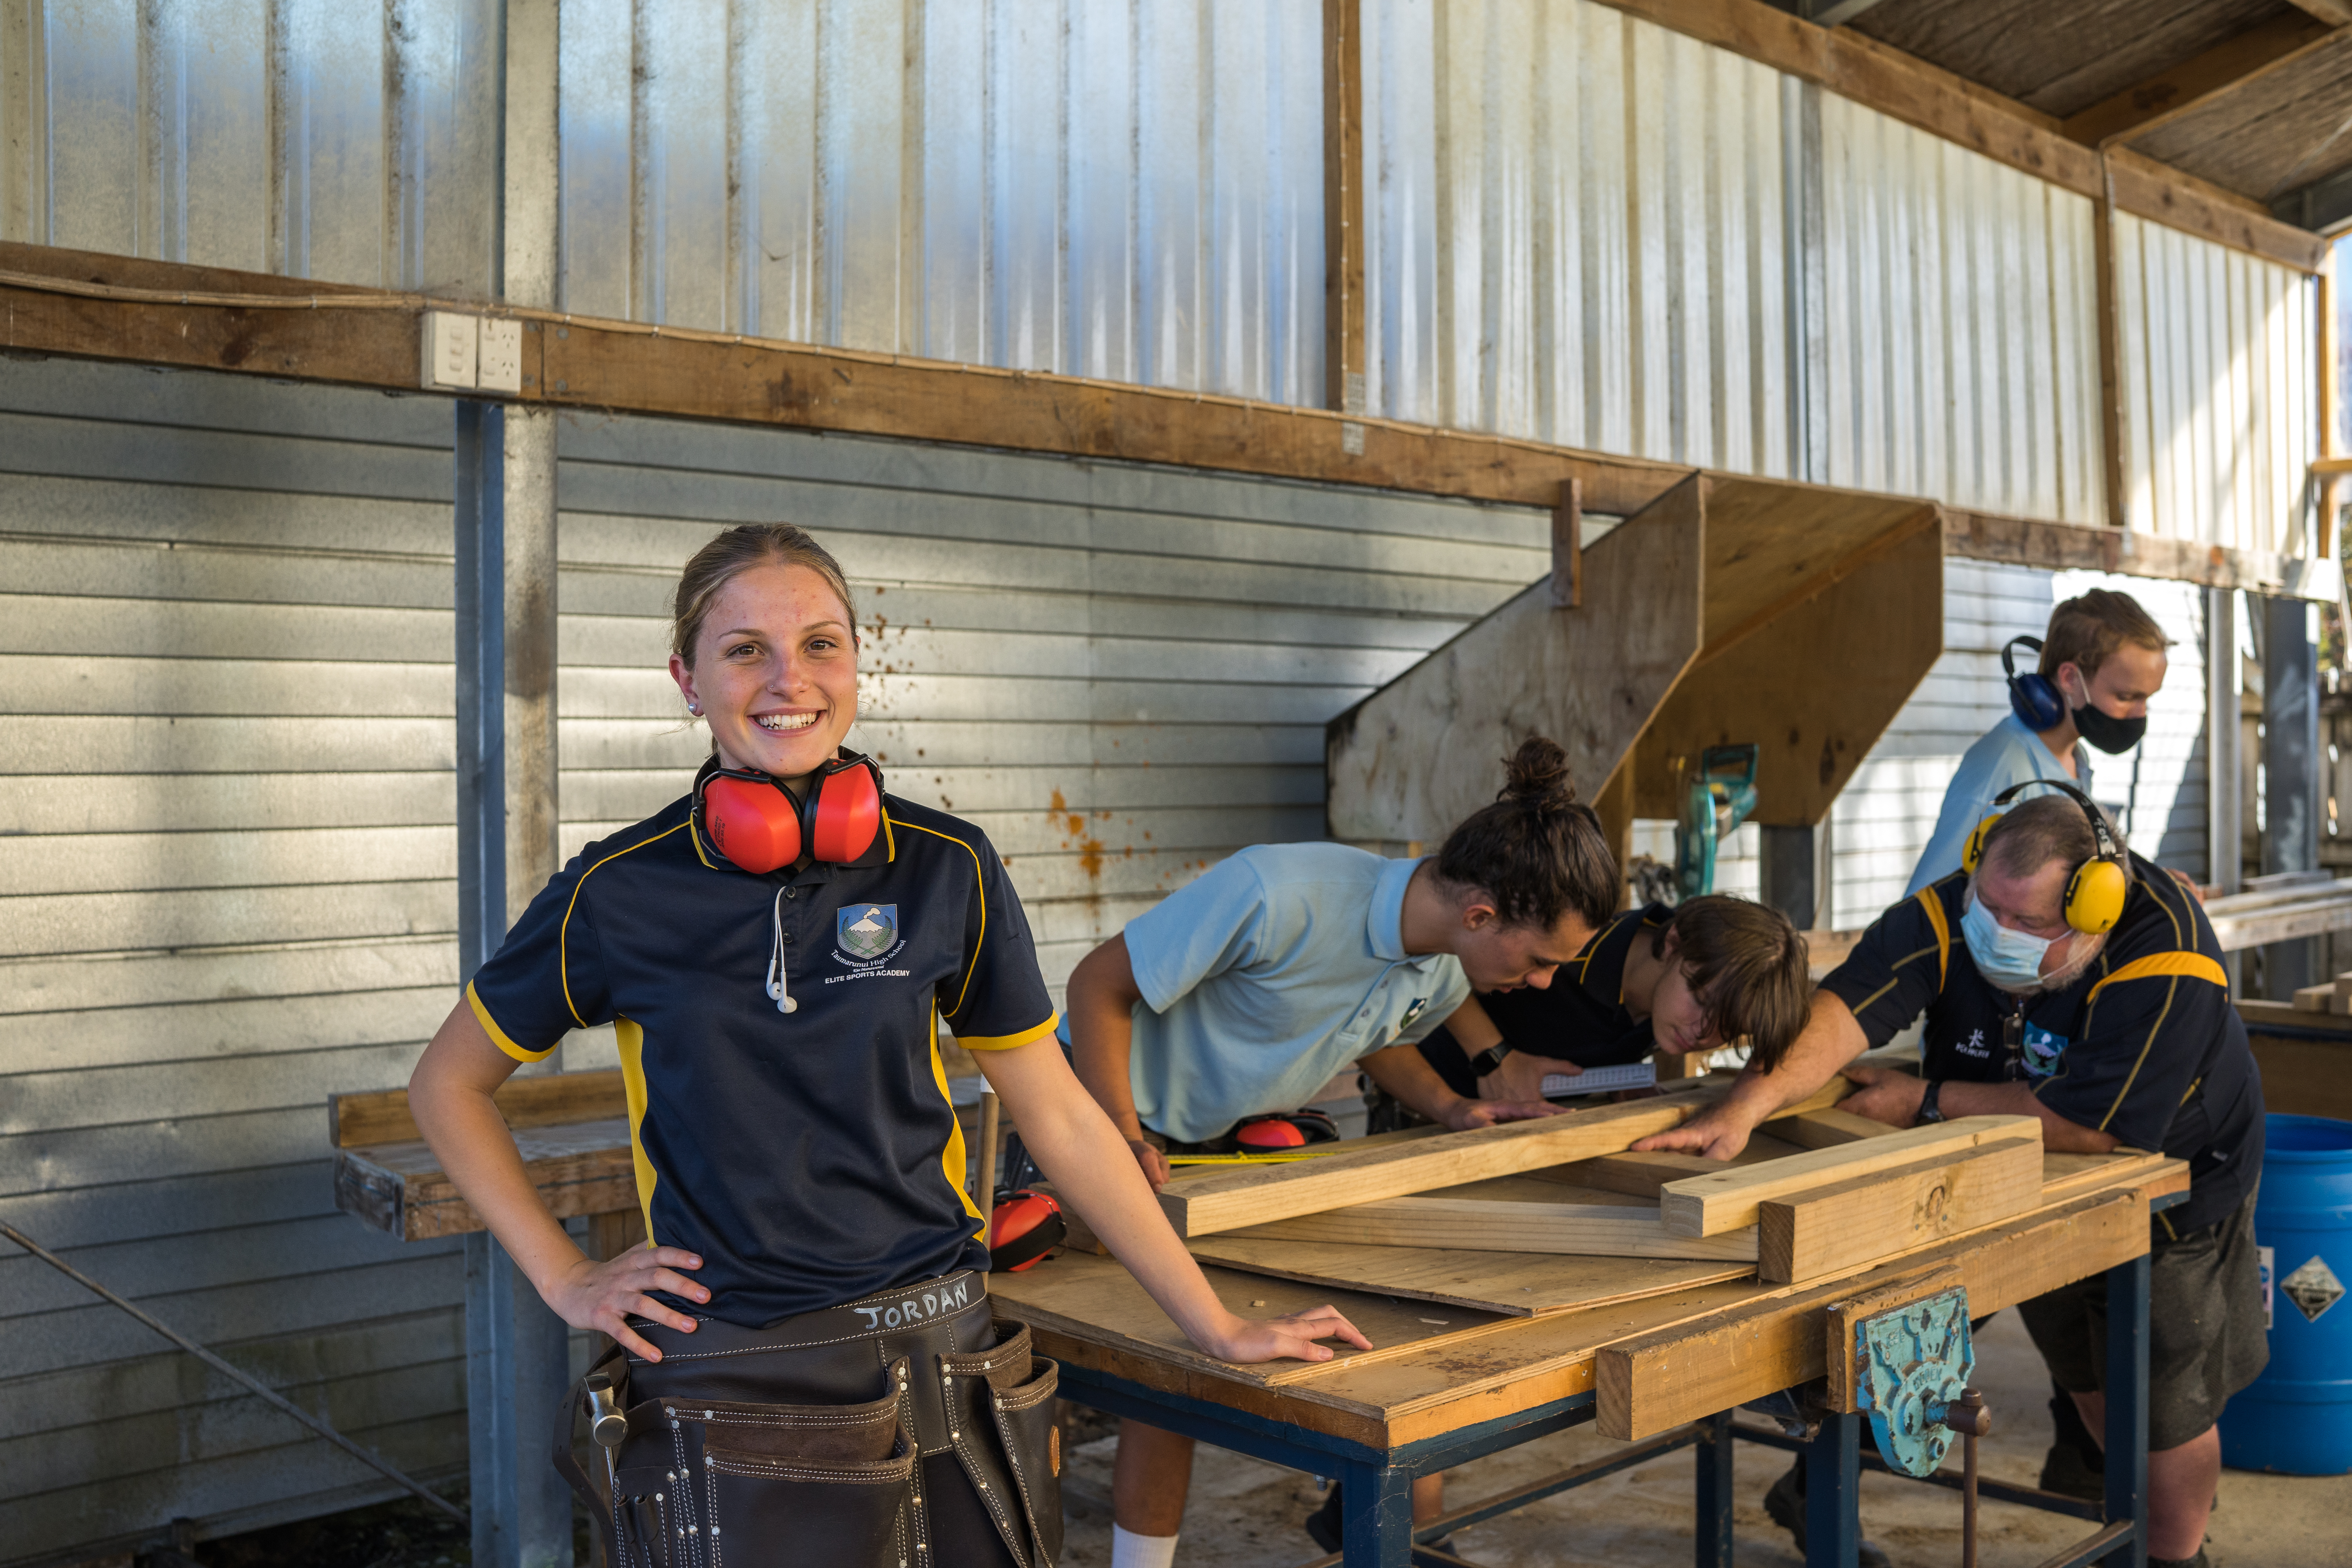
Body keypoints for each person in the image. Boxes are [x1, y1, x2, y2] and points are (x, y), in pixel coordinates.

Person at [406, 524, 1372, 1568]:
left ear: (857, 664)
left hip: (942, 1355)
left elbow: (1058, 1116)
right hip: (736, 1377)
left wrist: (1212, 1323)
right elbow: (448, 1086)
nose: (791, 680)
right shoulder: (619, 891)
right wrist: (566, 1278)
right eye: (746, 650)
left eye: (821, 644)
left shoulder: (945, 866)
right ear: (688, 679)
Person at [1640, 785, 2265, 1568]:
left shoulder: (2167, 954)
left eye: (2027, 923)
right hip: (2015, 1177)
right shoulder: (1953, 913)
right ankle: (1833, 1489)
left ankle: (2172, 1557)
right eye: (1987, 907)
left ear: (2095, 907)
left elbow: (2093, 1127)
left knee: (2164, 1402)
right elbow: (1844, 1011)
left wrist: (1929, 1098)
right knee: (2090, 1377)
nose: (1995, 934)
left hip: (2172, 1190)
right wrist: (1746, 1105)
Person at [1061, 736, 1621, 1565]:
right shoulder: (1279, 890)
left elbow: (1370, 1035)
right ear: (1481, 914)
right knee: (1143, 1372)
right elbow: (1096, 986)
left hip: (1220, 1143)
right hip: (1097, 1115)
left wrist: (1452, 1106)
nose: (1542, 984)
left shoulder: (1441, 966)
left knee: (1208, 1354)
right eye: (1541, 961)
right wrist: (1120, 1136)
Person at [1415, 893, 1815, 1100]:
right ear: (1674, 941)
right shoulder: (1568, 939)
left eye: (1728, 1029)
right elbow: (1437, 956)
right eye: (1701, 999)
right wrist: (1494, 1058)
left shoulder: (1674, 1006)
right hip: (1418, 1099)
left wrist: (1616, 1072)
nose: (1701, 1034)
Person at [1908, 588, 2171, 896]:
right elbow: (1928, 902)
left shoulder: (2075, 759)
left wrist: (2154, 886)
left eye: (2147, 699)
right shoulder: (2001, 767)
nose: (2140, 714)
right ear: (2071, 678)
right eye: (2126, 697)